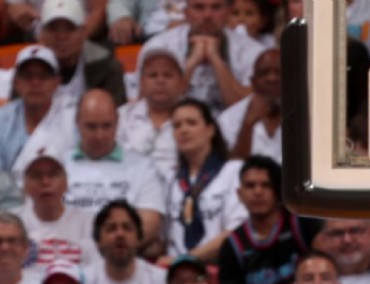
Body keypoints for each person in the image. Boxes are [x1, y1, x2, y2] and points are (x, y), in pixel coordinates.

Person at [66, 92, 167, 246]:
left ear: (118, 121)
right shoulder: (57, 165)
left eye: (107, 126)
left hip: (119, 255)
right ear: (77, 122)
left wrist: (107, 249)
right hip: (66, 254)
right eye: (91, 126)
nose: (99, 135)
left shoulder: (143, 167)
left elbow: (150, 223)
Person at [217, 159, 314, 284]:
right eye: (250, 185)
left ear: (279, 190)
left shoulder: (301, 223)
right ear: (239, 194)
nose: (258, 192)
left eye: (266, 185)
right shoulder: (232, 246)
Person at [139, 0, 264, 110]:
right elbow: (149, 106)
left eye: (216, 7)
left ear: (229, 11)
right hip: (175, 125)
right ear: (186, 12)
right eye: (199, 7)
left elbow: (247, 109)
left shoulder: (253, 51)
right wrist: (191, 64)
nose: (207, 15)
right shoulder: (159, 46)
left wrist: (216, 60)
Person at [163, 99, 247, 261]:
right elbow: (165, 238)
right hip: (176, 271)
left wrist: (187, 260)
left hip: (220, 267)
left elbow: (236, 231)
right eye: (177, 125)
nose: (183, 130)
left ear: (210, 129)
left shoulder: (234, 171)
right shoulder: (171, 180)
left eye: (191, 123)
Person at [0, 46, 73, 179]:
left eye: (43, 76)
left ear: (57, 82)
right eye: (28, 76)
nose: (35, 83)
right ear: (16, 82)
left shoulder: (74, 118)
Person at [83, 201, 167, 284]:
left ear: (139, 238)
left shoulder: (160, 281)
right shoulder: (82, 281)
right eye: (111, 228)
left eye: (127, 228)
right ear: (98, 241)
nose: (120, 234)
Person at [118, 47, 190, 182]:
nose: (160, 81)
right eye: (153, 75)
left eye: (167, 75)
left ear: (181, 83)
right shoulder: (121, 116)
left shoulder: (194, 119)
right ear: (141, 82)